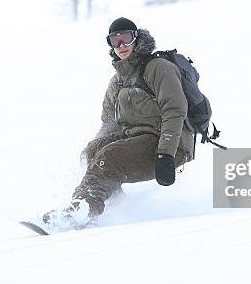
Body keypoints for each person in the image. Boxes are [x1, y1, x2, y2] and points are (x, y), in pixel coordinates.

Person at [43, 17, 195, 229]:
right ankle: (114, 206)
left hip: (169, 143)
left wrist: (166, 154)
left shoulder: (158, 68)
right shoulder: (118, 81)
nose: (121, 45)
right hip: (137, 138)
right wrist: (93, 152)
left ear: (137, 39)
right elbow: (109, 122)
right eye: (114, 41)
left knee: (110, 156)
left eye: (126, 38)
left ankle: (82, 209)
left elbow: (175, 110)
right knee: (94, 151)